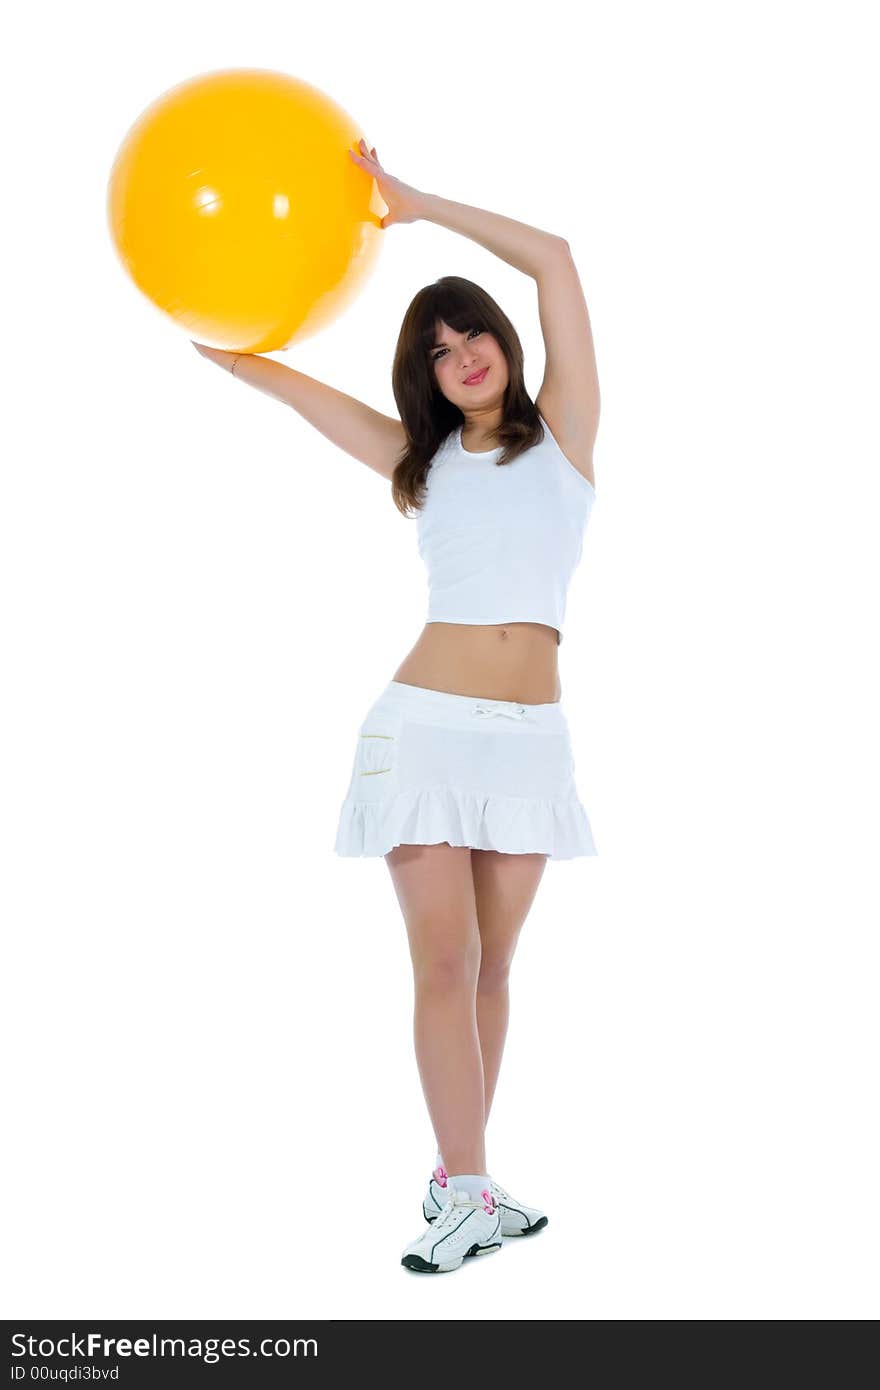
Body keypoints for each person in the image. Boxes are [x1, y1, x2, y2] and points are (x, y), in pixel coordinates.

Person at [192, 137, 601, 1275]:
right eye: (436, 349)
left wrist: (416, 205)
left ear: (503, 345)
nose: (461, 353)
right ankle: (464, 1189)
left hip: (532, 742)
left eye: (471, 333)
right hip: (422, 729)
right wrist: (215, 332)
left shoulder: (563, 436)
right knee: (441, 962)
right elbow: (293, 393)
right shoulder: (422, 466)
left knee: (491, 973)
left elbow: (557, 259)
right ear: (422, 377)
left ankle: (466, 1179)